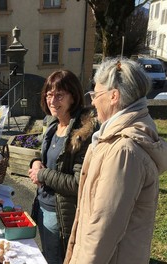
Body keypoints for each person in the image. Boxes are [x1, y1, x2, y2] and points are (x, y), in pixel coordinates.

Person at [64, 58, 167, 264]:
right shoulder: (116, 141)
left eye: (95, 94)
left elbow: (102, 232)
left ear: (113, 96)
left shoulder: (123, 151)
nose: (92, 101)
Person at [28, 70, 98, 263]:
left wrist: (42, 174)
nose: (52, 100)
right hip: (42, 207)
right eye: (49, 95)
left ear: (73, 97)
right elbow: (45, 158)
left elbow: (78, 183)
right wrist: (35, 162)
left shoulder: (81, 135)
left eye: (59, 95)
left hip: (60, 214)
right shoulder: (53, 126)